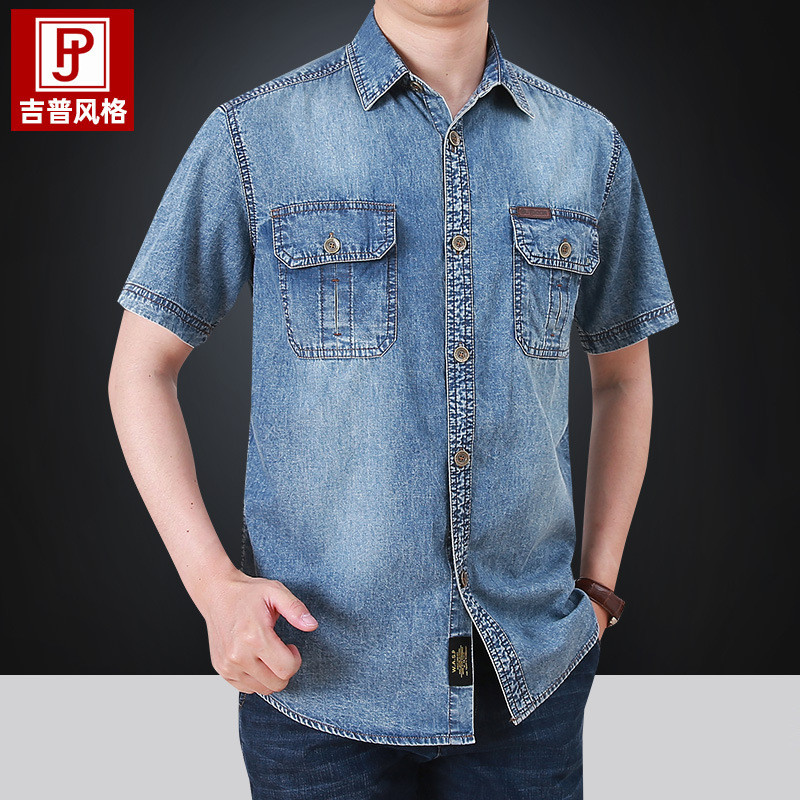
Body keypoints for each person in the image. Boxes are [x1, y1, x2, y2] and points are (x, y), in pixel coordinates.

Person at [108, 1, 679, 797]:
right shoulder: (255, 134)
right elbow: (140, 368)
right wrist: (215, 588)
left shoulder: (588, 147)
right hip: (315, 685)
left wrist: (596, 594)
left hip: (530, 686)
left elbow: (622, 376)